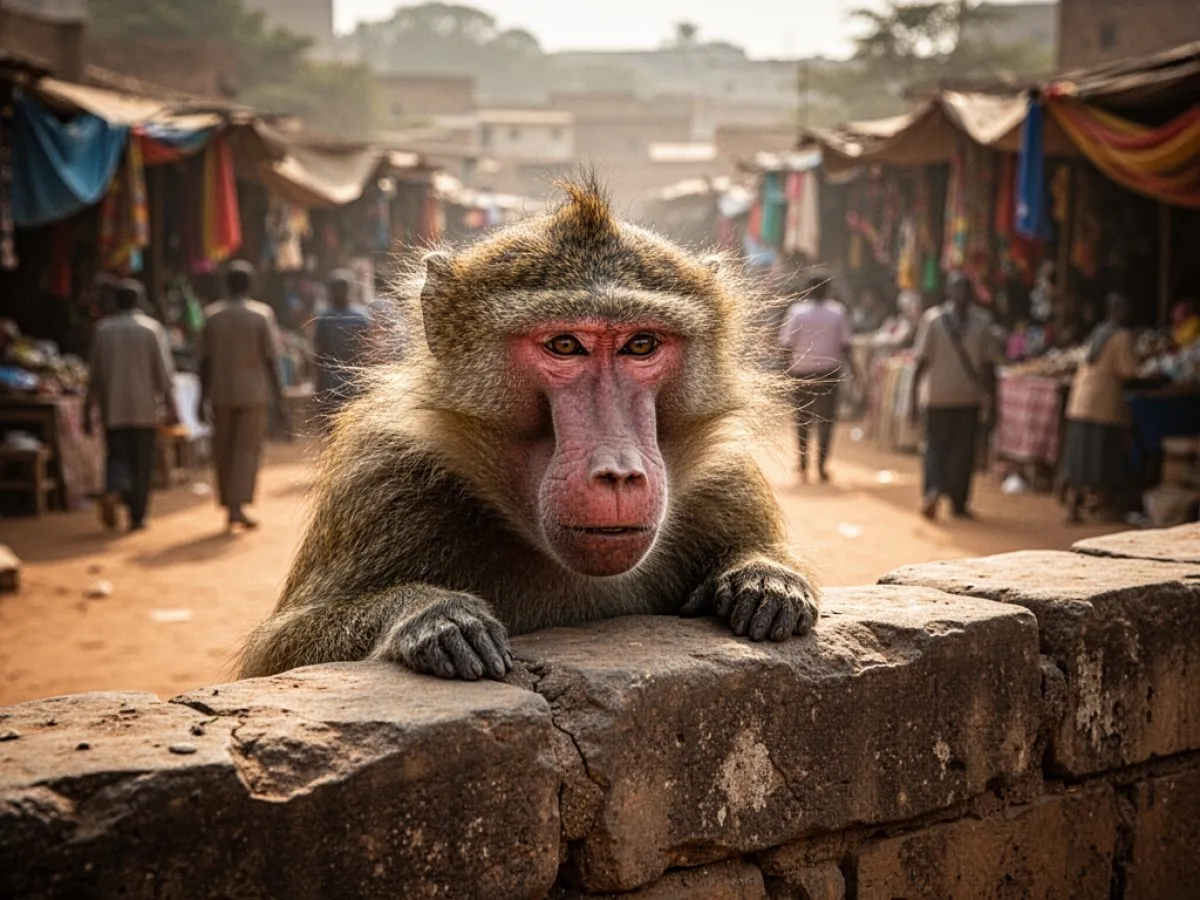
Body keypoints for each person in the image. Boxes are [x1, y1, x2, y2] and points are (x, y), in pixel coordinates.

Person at [84, 279, 176, 532]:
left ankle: (114, 488)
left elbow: (94, 375)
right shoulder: (151, 329)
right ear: (139, 301)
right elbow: (164, 372)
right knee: (142, 462)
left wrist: (87, 408)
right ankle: (137, 516)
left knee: (117, 456)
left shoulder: (103, 330)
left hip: (113, 407)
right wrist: (171, 404)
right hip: (144, 408)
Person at [198, 260, 282, 530]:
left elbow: (204, 361)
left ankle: (230, 503)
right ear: (250, 284)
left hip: (221, 393)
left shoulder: (212, 316)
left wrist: (201, 397)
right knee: (246, 451)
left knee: (223, 450)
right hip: (254, 393)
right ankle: (237, 504)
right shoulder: (261, 315)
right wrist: (279, 397)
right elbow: (271, 359)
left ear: (226, 284)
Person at [909, 271, 998, 520]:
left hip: (937, 396)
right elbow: (990, 368)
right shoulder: (983, 321)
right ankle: (958, 502)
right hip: (968, 396)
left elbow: (920, 362)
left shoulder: (933, 319)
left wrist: (912, 402)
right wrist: (994, 402)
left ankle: (933, 490)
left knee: (935, 448)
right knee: (963, 452)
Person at [1062, 292, 1138, 524]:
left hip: (1080, 402)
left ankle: (1074, 507)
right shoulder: (1122, 335)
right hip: (1103, 406)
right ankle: (1109, 507)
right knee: (1104, 458)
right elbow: (1127, 369)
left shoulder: (1099, 332)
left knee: (1079, 459)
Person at [778, 277, 853, 482]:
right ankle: (821, 466)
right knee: (826, 419)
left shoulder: (797, 312)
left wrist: (786, 372)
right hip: (829, 372)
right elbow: (846, 345)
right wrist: (855, 372)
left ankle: (803, 463)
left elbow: (786, 344)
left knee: (802, 418)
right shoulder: (837, 312)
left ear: (808, 290)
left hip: (801, 372)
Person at [312, 269, 372, 425]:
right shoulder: (361, 317)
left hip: (333, 380)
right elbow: (368, 352)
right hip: (352, 379)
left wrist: (318, 385)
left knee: (332, 426)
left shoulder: (324, 318)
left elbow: (319, 352)